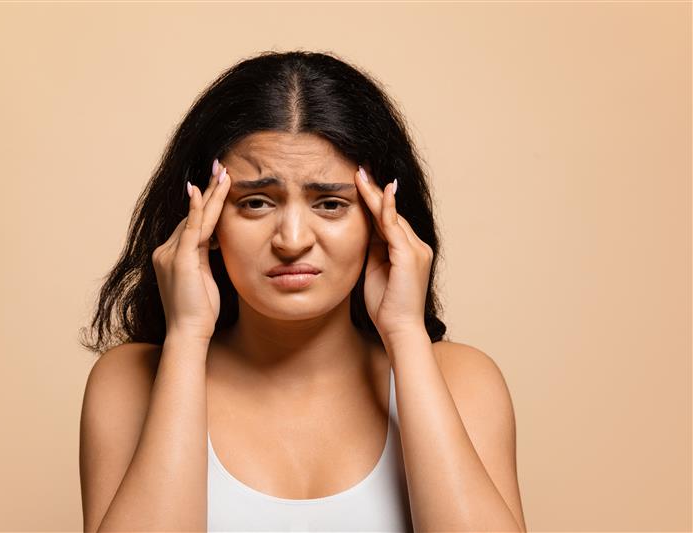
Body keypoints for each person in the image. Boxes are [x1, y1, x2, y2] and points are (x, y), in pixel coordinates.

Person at [79, 50, 527, 532]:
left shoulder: (464, 383)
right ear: (203, 222)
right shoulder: (128, 384)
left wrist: (405, 333)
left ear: (381, 223)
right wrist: (187, 336)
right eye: (254, 202)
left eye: (331, 203)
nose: (292, 240)